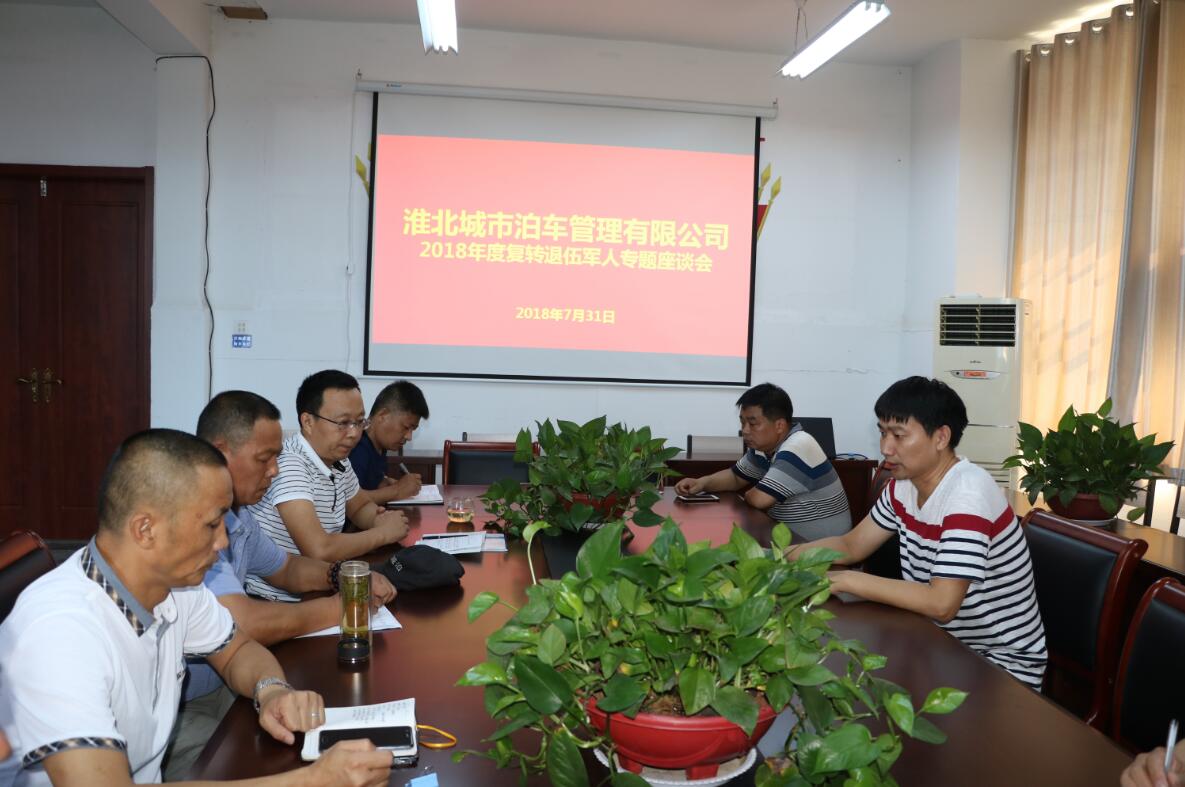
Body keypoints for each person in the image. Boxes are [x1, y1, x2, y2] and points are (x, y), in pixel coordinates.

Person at [0, 429, 393, 787]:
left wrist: (272, 691)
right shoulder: (60, 632)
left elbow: (237, 650)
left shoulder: (176, 586)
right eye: (211, 524)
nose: (223, 542)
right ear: (145, 530)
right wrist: (313, 781)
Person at [162, 391, 398, 780]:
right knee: (279, 758)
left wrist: (340, 577)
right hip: (183, 714)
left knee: (321, 720)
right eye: (264, 459)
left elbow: (283, 571)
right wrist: (342, 607)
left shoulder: (234, 518)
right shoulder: (189, 538)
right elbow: (245, 623)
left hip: (219, 689)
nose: (274, 471)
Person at [789, 376, 1047, 689]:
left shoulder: (968, 496)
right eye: (882, 432)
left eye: (899, 435)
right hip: (939, 642)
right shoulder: (903, 487)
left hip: (999, 666)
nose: (885, 447)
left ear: (941, 437)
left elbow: (942, 603)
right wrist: (779, 557)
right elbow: (851, 544)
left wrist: (846, 580)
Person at [247, 370, 409, 601]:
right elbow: (319, 549)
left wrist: (380, 519)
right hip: (278, 599)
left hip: (321, 584)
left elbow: (360, 506)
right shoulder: (290, 465)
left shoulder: (338, 459)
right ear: (308, 422)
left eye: (359, 422)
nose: (354, 433)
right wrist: (382, 533)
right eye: (343, 423)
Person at [674, 382, 852, 541]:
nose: (745, 430)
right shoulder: (763, 448)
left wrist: (751, 493)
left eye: (753, 424)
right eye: (742, 422)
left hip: (821, 552)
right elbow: (735, 477)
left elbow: (759, 499)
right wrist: (701, 483)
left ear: (779, 425)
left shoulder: (798, 446)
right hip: (789, 541)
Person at [349, 380, 429, 506]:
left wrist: (386, 482)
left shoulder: (380, 446)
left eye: (413, 430)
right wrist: (397, 490)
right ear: (383, 415)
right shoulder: (357, 448)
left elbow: (372, 483)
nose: (409, 437)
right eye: (406, 427)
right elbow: (350, 500)